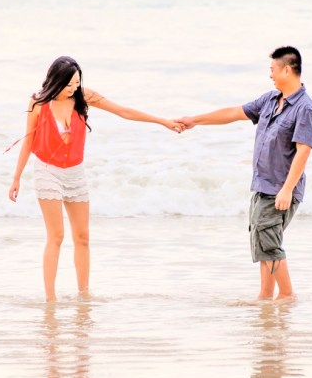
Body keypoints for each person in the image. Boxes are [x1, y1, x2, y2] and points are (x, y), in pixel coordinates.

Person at [9, 56, 182, 302]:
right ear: (56, 81)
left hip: (75, 172)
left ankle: (84, 294)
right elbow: (29, 140)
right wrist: (17, 178)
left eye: (77, 83)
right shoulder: (38, 103)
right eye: (69, 84)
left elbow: (124, 111)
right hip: (47, 170)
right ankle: (50, 299)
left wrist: (163, 121)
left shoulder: (84, 97)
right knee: (56, 236)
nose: (74, 88)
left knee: (82, 237)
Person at [177, 46, 312, 301]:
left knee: (271, 245)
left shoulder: (305, 109)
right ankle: (265, 298)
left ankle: (287, 296)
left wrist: (287, 189)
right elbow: (233, 113)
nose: (271, 76)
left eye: (273, 70)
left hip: (280, 190)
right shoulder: (270, 100)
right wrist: (195, 120)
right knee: (263, 244)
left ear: (287, 69)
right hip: (262, 187)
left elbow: (303, 151)